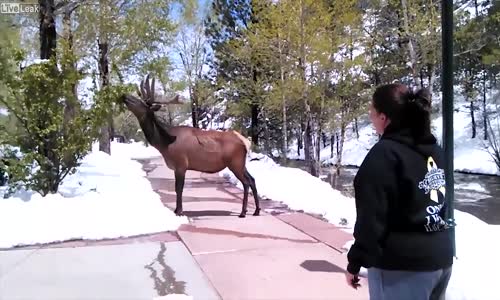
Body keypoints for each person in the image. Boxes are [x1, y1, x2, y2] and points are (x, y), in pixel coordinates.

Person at [345, 83, 455, 300]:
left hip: (402, 266)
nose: (371, 117)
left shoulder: (384, 155)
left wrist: (356, 262)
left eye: (372, 112)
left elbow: (372, 220)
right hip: (440, 259)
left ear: (383, 117)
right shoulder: (436, 151)